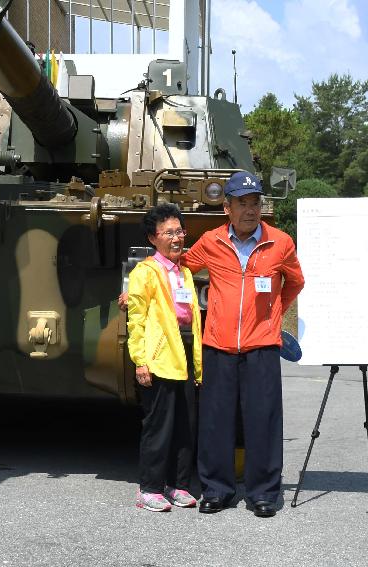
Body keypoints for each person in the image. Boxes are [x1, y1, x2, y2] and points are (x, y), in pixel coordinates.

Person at [182, 171, 305, 518]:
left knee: (262, 419)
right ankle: (216, 490)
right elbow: (179, 267)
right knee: (215, 420)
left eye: (255, 203)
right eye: (242, 204)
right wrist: (139, 283)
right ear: (227, 207)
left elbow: (295, 281)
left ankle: (263, 492)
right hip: (218, 344)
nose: (251, 210)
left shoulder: (280, 242)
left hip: (262, 346)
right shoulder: (211, 241)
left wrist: (274, 313)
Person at [126, 203, 203, 512]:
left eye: (180, 231)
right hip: (159, 358)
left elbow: (192, 319)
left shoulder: (184, 272)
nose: (176, 238)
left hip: (184, 355)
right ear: (153, 238)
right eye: (169, 232)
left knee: (186, 425)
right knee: (159, 426)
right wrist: (140, 360)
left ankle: (178, 484)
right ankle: (150, 488)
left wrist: (197, 364)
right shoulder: (145, 272)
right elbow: (137, 320)